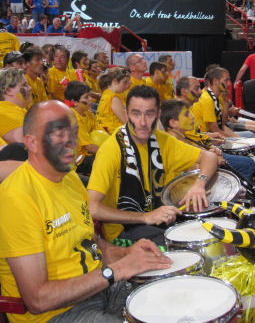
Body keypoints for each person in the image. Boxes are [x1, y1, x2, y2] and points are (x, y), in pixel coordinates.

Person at [0, 100, 172, 323]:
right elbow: (38, 300)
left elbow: (91, 242)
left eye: (73, 132)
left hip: (98, 288)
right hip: (54, 318)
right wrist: (114, 271)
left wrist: (124, 255)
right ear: (32, 142)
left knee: (171, 313)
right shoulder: (17, 200)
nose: (72, 141)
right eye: (59, 133)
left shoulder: (70, 179)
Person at [88, 85, 218, 244]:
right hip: (124, 232)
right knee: (179, 244)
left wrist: (199, 184)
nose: (142, 122)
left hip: (161, 217)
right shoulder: (110, 151)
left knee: (211, 226)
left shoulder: (162, 140)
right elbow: (92, 208)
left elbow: (210, 157)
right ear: (125, 114)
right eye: (136, 114)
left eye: (149, 114)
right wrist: (145, 217)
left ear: (158, 115)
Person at [175, 76, 255, 181]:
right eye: (196, 88)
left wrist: (210, 137)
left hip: (205, 148)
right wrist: (210, 153)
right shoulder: (179, 112)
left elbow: (193, 135)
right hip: (198, 157)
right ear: (184, 91)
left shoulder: (187, 108)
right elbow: (185, 144)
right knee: (248, 163)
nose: (200, 91)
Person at [0, 68, 31, 143]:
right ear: (8, 90)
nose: (30, 88)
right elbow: (31, 147)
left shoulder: (8, 109)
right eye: (24, 85)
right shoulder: (0, 114)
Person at [192, 67, 240, 138]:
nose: (229, 84)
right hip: (207, 138)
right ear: (215, 81)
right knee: (249, 136)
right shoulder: (207, 99)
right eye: (226, 80)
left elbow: (222, 124)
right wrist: (237, 139)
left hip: (215, 134)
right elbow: (215, 131)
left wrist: (226, 102)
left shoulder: (216, 96)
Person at [64, 81, 100, 175]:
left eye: (90, 96)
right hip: (78, 159)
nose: (91, 100)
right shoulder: (73, 118)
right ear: (74, 102)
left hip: (89, 153)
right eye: (86, 97)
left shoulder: (88, 114)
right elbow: (89, 147)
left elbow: (101, 132)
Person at [96, 67, 131, 134]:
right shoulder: (114, 98)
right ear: (115, 81)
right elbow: (127, 122)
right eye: (124, 82)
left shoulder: (106, 93)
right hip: (115, 135)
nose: (127, 86)